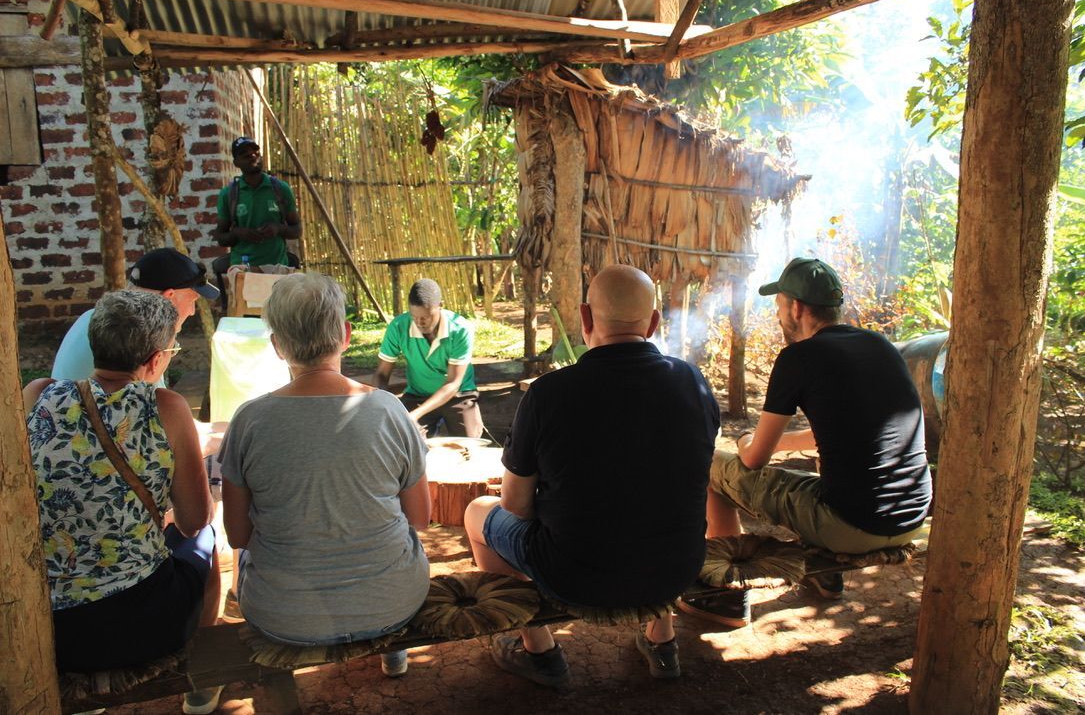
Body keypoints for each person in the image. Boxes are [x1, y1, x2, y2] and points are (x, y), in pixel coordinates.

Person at [463, 264, 720, 685]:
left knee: (479, 512)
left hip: (576, 577)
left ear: (585, 319)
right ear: (653, 323)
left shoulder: (549, 393)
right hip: (677, 568)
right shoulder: (693, 382)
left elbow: (515, 505)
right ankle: (662, 641)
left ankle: (538, 649)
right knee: (659, 502)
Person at [683, 257, 932, 624]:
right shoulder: (881, 346)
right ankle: (828, 578)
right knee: (825, 475)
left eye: (779, 304)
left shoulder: (799, 357)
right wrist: (776, 444)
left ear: (797, 308)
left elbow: (754, 461)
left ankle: (726, 596)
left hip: (855, 528)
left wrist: (745, 443)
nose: (778, 313)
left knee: (712, 467)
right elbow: (840, 431)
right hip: (912, 513)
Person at [218, 273, 430, 676]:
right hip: (393, 603)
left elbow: (238, 537)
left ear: (278, 346)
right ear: (346, 335)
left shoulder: (249, 420)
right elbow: (420, 518)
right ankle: (389, 648)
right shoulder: (389, 411)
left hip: (283, 617)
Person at [25, 290, 223, 715]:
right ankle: (204, 681)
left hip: (44, 622)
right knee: (208, 535)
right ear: (154, 360)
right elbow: (192, 519)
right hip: (139, 625)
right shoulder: (164, 406)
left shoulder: (38, 394)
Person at [50, 248, 219, 383]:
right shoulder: (142, 336)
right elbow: (154, 409)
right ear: (169, 298)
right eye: (192, 301)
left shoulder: (92, 316)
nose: (191, 311)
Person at [374, 278, 484, 438]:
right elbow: (381, 374)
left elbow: (453, 383)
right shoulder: (398, 327)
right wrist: (384, 404)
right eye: (414, 316)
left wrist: (415, 415)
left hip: (458, 394)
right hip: (417, 394)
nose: (420, 322)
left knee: (469, 443)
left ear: (441, 306)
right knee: (403, 439)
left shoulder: (460, 329)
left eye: (426, 316)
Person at [213, 136, 301, 269]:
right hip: (243, 269)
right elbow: (221, 237)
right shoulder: (229, 194)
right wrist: (238, 233)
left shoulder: (280, 189)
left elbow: (297, 230)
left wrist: (278, 229)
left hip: (277, 268)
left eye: (255, 152)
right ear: (236, 163)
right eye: (244, 154)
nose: (252, 156)